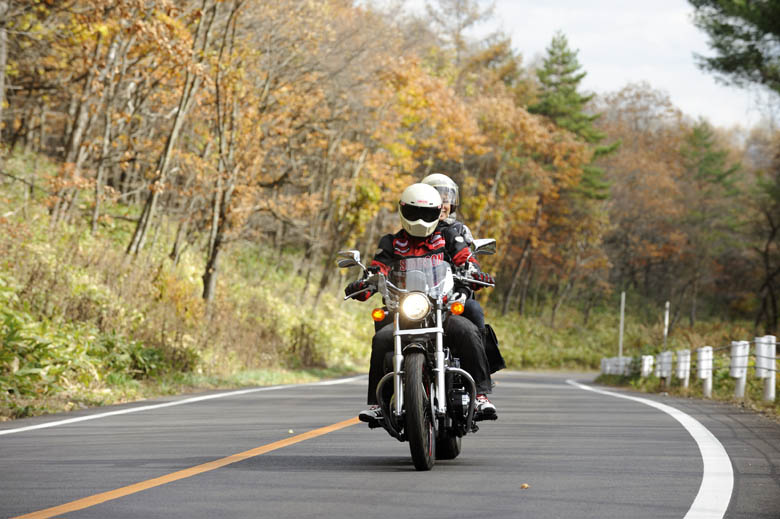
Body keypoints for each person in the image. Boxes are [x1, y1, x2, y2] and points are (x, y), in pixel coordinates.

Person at [345, 183, 497, 423]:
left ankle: (480, 394)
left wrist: (475, 272)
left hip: (441, 310)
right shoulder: (391, 242)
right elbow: (378, 268)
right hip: (405, 312)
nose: (421, 219)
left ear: (437, 213)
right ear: (403, 211)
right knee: (382, 338)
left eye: (427, 214)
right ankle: (378, 402)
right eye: (415, 212)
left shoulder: (448, 236)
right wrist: (364, 283)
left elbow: (464, 258)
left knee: (467, 330)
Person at [421, 173, 505, 374]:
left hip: (453, 295)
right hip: (417, 298)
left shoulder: (458, 230)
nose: (442, 205)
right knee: (385, 318)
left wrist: (475, 272)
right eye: (436, 199)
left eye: (446, 200)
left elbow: (467, 258)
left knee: (474, 310)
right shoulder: (412, 231)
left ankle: (480, 377)